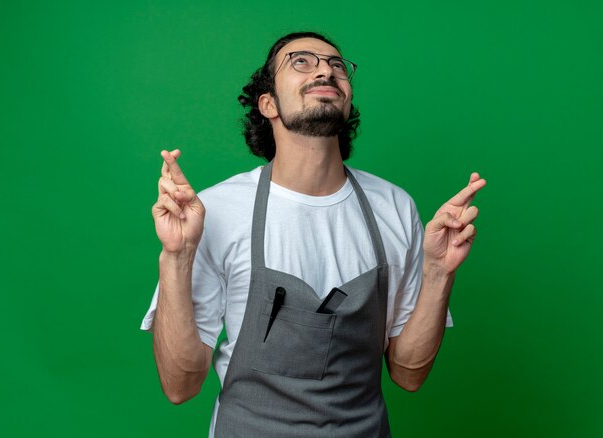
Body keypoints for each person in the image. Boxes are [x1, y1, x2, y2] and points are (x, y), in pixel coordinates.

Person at [141, 31, 486, 437]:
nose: (326, 69)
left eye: (337, 65)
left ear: (347, 96)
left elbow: (408, 375)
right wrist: (177, 258)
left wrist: (439, 272)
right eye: (301, 61)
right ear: (268, 104)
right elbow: (180, 386)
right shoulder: (217, 211)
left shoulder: (394, 207)